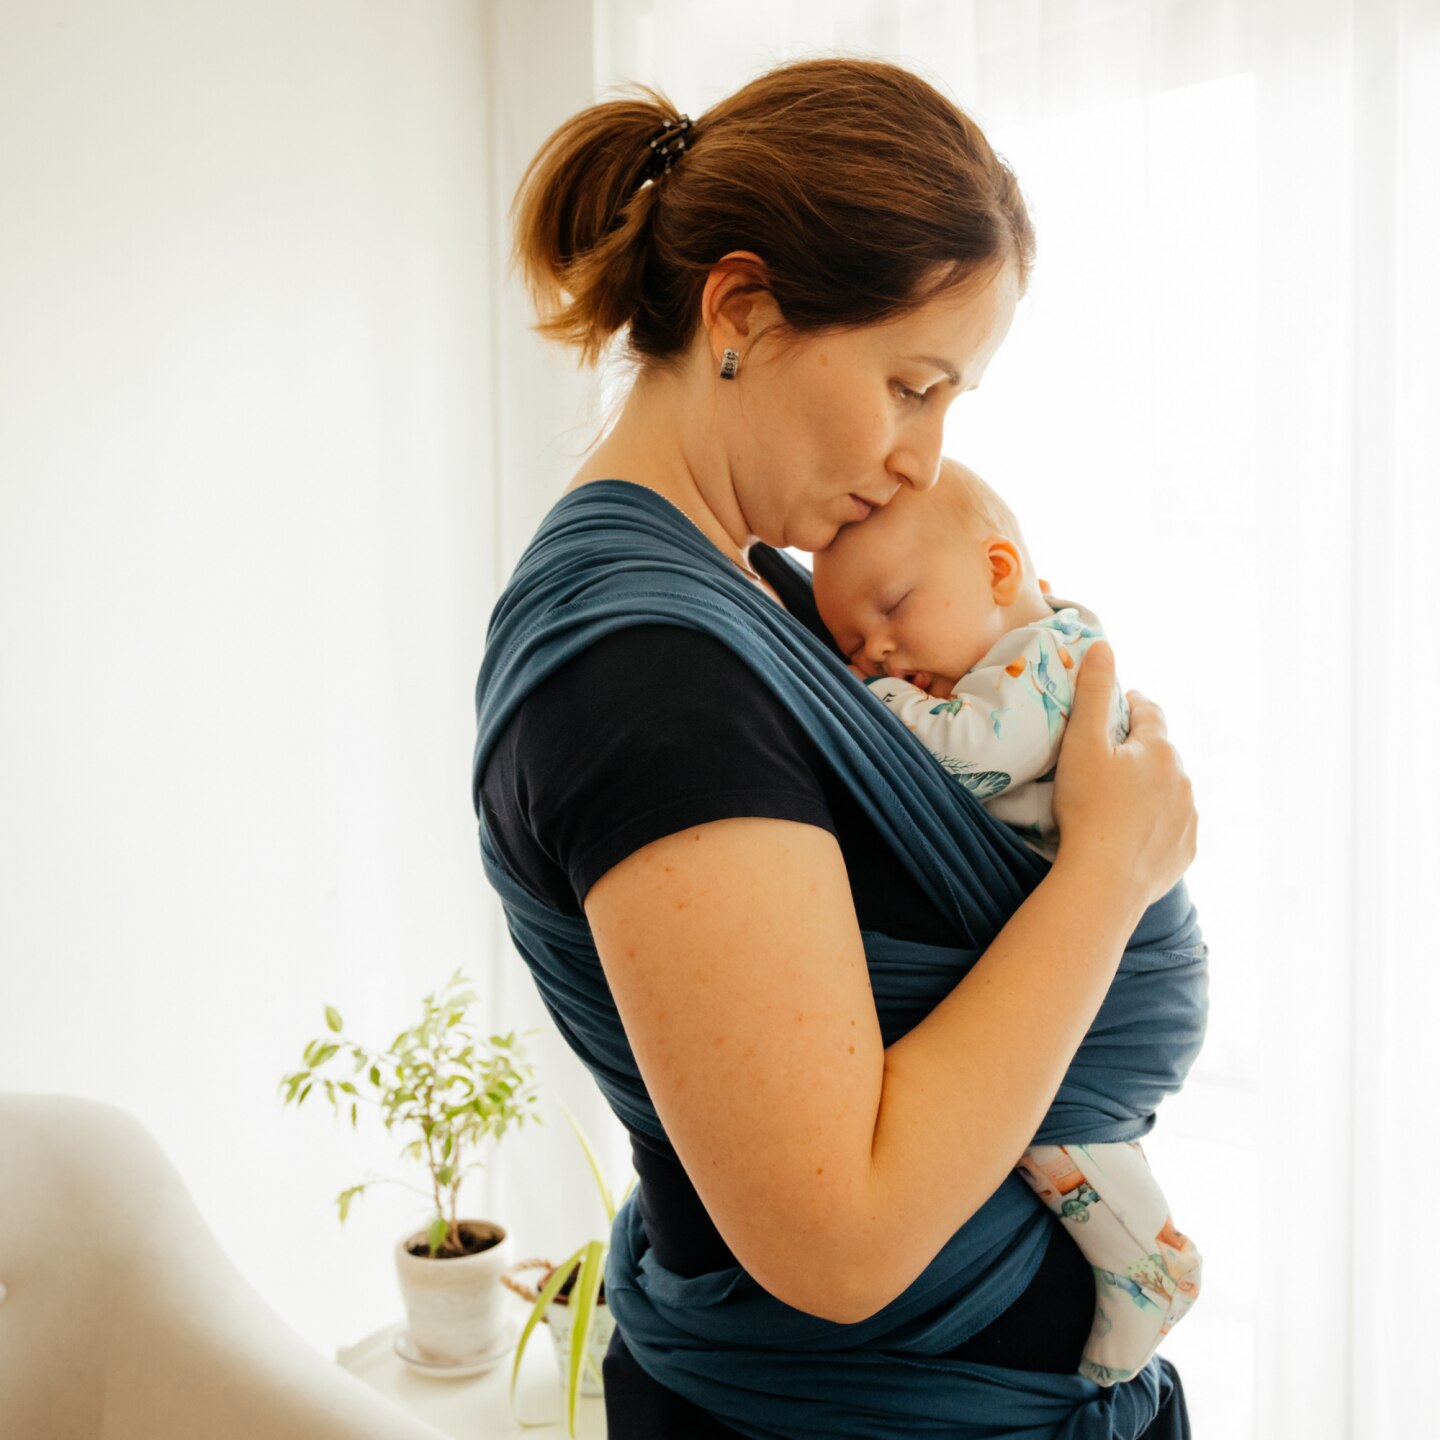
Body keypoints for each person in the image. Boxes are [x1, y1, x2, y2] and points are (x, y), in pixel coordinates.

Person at [474, 56, 1203, 1439]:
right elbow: (841, 1241)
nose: (927, 459)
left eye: (952, 402)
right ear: (742, 309)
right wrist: (1107, 876)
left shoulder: (756, 597)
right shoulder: (650, 676)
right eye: (912, 384)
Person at [812, 457, 1204, 1385]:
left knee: (1047, 1133)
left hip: (1133, 967)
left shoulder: (1050, 661)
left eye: (894, 606)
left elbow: (976, 762)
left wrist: (856, 707)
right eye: (848, 646)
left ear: (997, 570)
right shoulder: (994, 662)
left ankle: (1152, 1266)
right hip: (1091, 939)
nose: (875, 654)